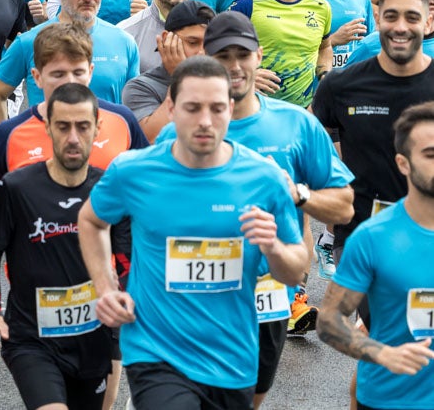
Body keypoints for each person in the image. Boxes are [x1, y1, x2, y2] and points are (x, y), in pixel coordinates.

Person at [78, 56, 308, 410]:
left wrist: (273, 247)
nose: (205, 121)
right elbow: (92, 220)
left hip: (232, 357)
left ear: (231, 109)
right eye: (192, 107)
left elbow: (294, 271)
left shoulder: (264, 178)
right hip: (155, 351)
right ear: (170, 108)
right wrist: (106, 287)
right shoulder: (134, 171)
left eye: (216, 108)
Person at [167, 12, 352, 393]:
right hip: (194, 296)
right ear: (206, 58)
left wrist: (299, 194)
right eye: (223, 56)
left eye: (243, 54)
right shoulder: (179, 130)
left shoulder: (296, 124)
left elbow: (345, 206)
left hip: (267, 298)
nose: (234, 66)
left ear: (259, 55)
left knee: (248, 398)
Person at [0, 84, 126, 410]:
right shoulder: (16, 189)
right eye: (63, 126)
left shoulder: (109, 191)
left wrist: (126, 305)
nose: (73, 137)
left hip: (93, 340)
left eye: (83, 126)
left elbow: (127, 263)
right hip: (31, 341)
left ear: (98, 127)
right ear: (47, 128)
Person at [319, 101, 434, 410]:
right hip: (389, 399)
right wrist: (380, 353)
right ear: (403, 163)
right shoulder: (373, 238)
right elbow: (329, 321)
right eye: (430, 155)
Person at [314, 0, 434, 262]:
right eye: (391, 16)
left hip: (428, 232)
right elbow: (309, 136)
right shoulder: (341, 85)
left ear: (428, 22)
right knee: (373, 309)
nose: (401, 27)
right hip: (361, 235)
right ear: (378, 18)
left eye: (412, 17)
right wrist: (333, 186)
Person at [0, 0, 140, 127]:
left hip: (108, 151)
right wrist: (5, 146)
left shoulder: (124, 42)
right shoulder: (30, 42)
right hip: (46, 152)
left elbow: (133, 106)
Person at [120, 1, 215, 139]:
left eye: (209, 43)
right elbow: (152, 139)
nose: (201, 52)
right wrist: (180, 78)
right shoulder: (140, 87)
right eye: (192, 43)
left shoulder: (223, 82)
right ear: (167, 39)